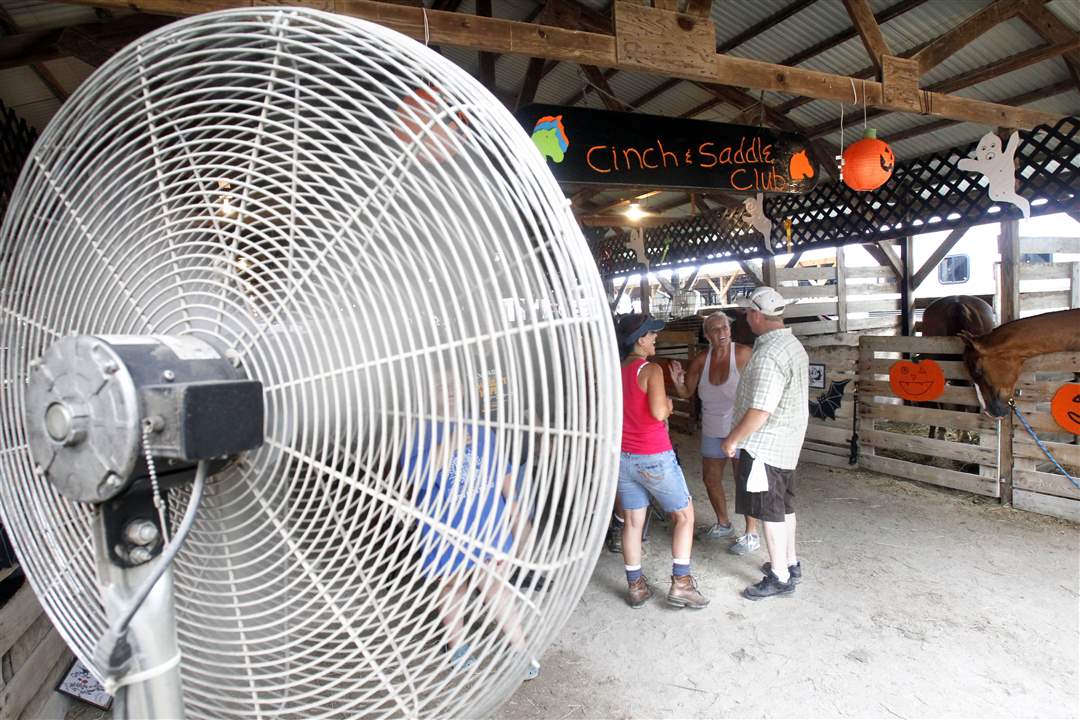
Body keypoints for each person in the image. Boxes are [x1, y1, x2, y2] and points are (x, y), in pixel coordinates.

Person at [404, 412, 540, 679]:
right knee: (453, 586)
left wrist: (514, 509)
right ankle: (456, 646)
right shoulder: (419, 432)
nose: (450, 393)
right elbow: (416, 478)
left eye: (454, 389)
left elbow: (502, 471)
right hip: (445, 533)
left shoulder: (480, 428)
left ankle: (520, 650)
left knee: (497, 588)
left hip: (488, 527)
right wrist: (451, 444)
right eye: (441, 390)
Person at [614, 313, 708, 610]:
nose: (656, 337)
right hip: (653, 456)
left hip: (624, 458)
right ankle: (681, 584)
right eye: (651, 333)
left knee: (632, 522)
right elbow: (657, 412)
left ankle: (636, 587)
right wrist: (668, 405)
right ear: (640, 339)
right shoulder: (650, 369)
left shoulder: (616, 370)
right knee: (684, 516)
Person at [720, 287, 809, 600]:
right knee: (784, 506)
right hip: (786, 443)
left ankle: (780, 577)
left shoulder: (770, 355)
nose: (745, 318)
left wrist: (733, 438)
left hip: (766, 446)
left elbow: (761, 409)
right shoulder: (791, 345)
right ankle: (791, 562)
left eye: (747, 313)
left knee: (769, 511)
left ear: (757, 315)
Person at [668, 312, 758, 552]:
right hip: (712, 429)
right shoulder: (701, 360)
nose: (722, 333)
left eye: (725, 327)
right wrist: (678, 382)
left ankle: (751, 533)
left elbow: (761, 385)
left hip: (739, 430)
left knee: (743, 480)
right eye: (716, 330)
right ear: (707, 335)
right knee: (710, 479)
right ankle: (724, 523)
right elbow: (686, 392)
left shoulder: (743, 354)